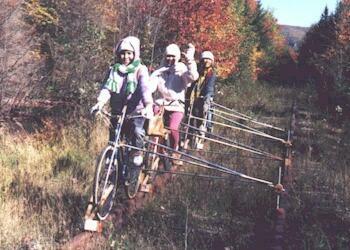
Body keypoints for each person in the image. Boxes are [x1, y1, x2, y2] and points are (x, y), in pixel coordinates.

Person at [91, 36, 154, 167]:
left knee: (137, 131)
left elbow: (145, 88)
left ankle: (137, 152)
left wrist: (148, 105)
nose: (126, 57)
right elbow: (107, 88)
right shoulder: (113, 70)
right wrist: (100, 103)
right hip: (117, 110)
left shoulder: (141, 70)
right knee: (114, 137)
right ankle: (112, 159)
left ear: (135, 54)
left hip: (136, 111)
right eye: (122, 53)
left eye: (129, 53)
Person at [151, 43, 199, 165]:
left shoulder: (181, 69)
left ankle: (174, 149)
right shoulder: (161, 71)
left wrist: (190, 60)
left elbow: (193, 76)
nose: (170, 59)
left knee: (173, 128)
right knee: (153, 127)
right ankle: (156, 150)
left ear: (177, 57)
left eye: (173, 56)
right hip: (161, 103)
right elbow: (151, 87)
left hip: (176, 105)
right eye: (168, 56)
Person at [187, 50, 216, 136]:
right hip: (194, 98)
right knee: (190, 118)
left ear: (212, 61)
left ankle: (201, 136)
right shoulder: (197, 72)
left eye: (208, 59)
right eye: (204, 59)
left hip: (204, 99)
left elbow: (210, 87)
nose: (206, 61)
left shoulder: (212, 74)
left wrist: (207, 96)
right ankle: (188, 139)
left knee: (202, 118)